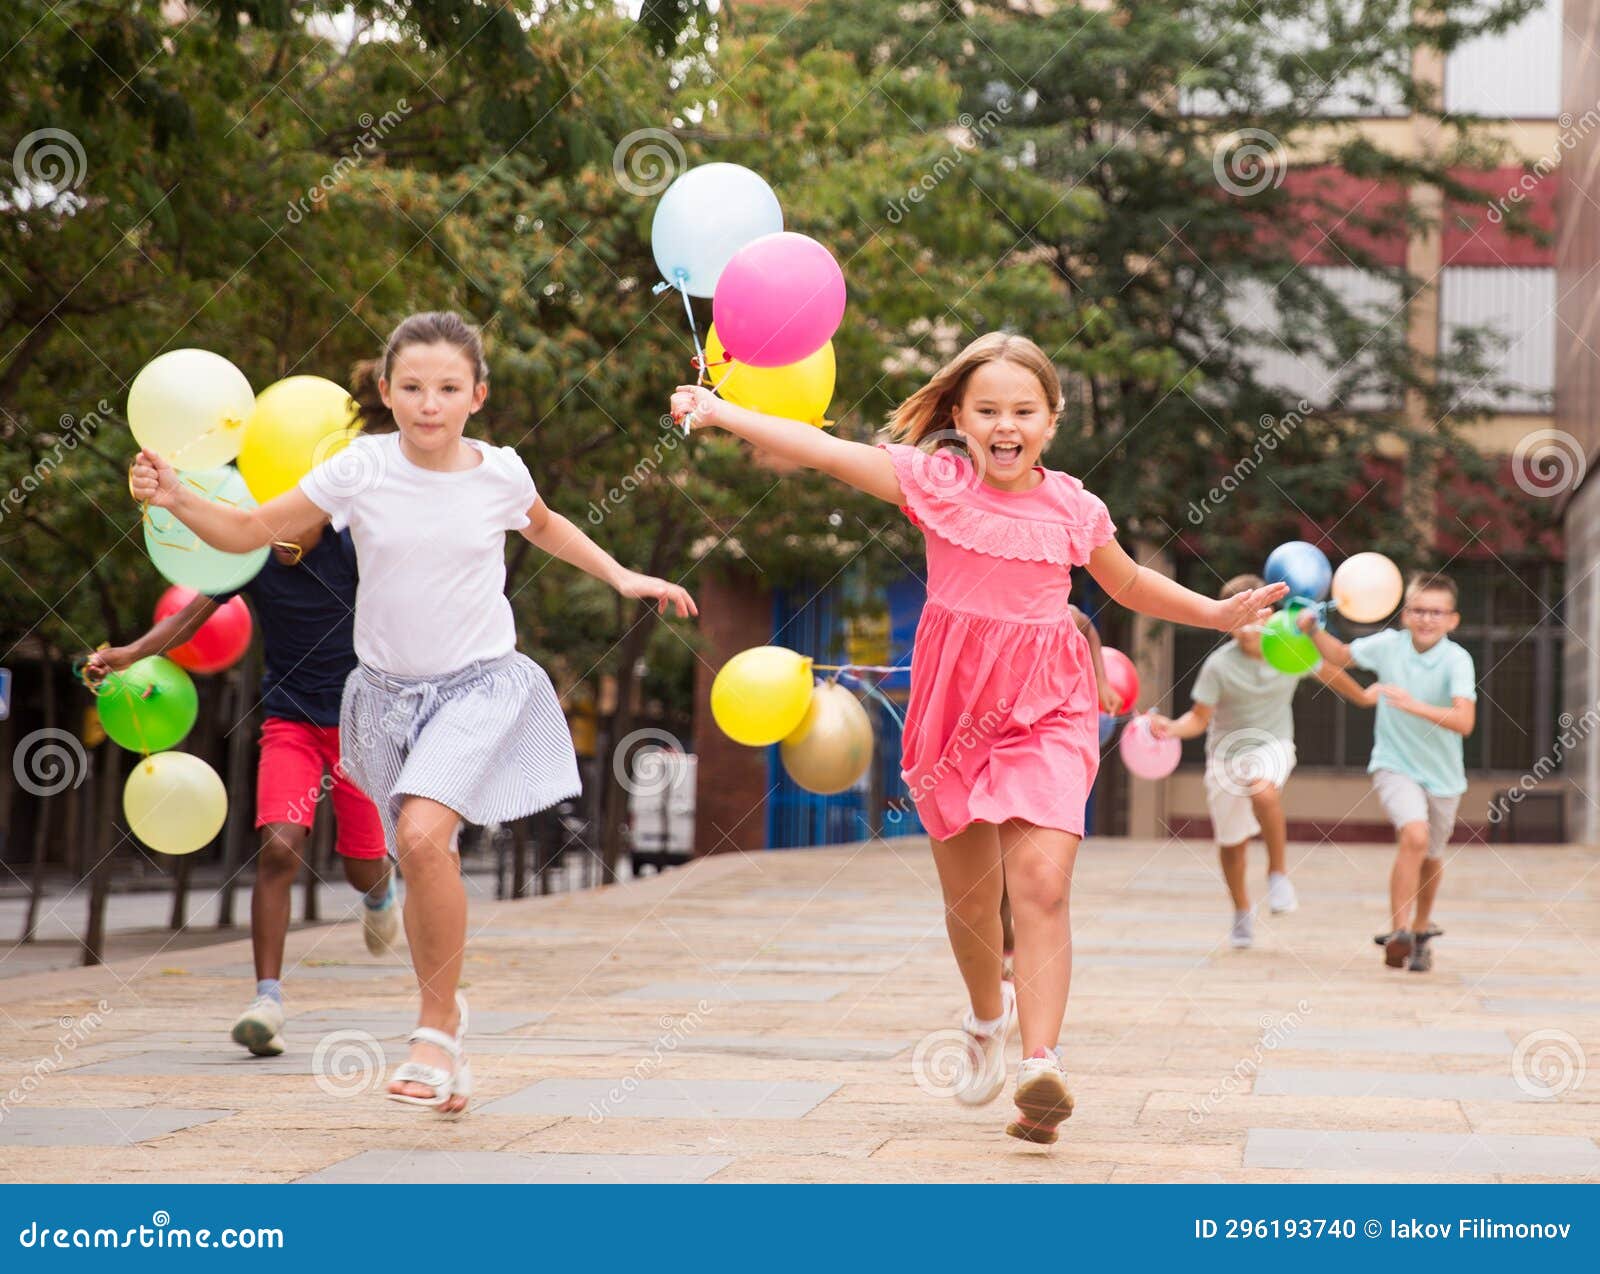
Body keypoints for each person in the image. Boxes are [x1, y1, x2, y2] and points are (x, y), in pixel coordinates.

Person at [671, 332, 1287, 1144]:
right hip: (955, 715)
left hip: (1050, 710)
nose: (1006, 424)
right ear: (958, 416)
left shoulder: (1074, 506)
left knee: (1042, 885)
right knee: (970, 900)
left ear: (1051, 420)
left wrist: (1214, 612)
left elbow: (1128, 583)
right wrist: (722, 410)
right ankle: (986, 1020)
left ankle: (1043, 1063)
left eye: (1023, 410)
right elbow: (821, 450)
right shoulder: (934, 482)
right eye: (988, 409)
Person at [129, 310, 696, 1114]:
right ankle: (450, 1025)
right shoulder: (358, 471)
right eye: (413, 387)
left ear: (477, 396)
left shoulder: (500, 472)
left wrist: (623, 576)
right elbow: (251, 531)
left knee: (421, 837)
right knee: (427, 857)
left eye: (449, 388)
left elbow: (546, 527)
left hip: (477, 687)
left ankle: (433, 1030)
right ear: (388, 394)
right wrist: (179, 496)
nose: (431, 403)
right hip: (386, 698)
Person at [85, 525, 396, 1057]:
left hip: (359, 726)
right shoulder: (252, 556)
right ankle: (266, 1002)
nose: (277, 527)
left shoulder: (356, 549)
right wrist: (129, 653)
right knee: (278, 849)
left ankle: (379, 894)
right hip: (289, 723)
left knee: (361, 865)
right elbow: (188, 619)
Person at [1148, 574, 1375, 949]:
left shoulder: (1289, 649)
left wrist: (1365, 698)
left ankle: (1278, 874)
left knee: (1263, 791)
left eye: (1254, 615)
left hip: (1273, 745)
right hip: (1224, 757)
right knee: (1232, 845)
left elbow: (1331, 672)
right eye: (1237, 619)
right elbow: (1199, 719)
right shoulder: (1219, 666)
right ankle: (1241, 910)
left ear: (1268, 615)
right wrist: (1170, 728)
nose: (1246, 626)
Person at [1301, 571, 1476, 972]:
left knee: (1432, 856)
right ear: (1404, 614)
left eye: (1436, 612)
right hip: (1394, 764)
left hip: (1444, 775)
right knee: (1413, 836)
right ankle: (1399, 932)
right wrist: (1312, 630)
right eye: (1418, 610)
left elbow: (1464, 722)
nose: (1426, 619)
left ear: (1453, 620)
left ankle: (1419, 933)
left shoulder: (1457, 660)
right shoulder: (1388, 646)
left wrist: (1411, 703)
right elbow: (1341, 655)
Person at [999, 604, 1118, 978]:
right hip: (996, 736)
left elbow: (1089, 630)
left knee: (1028, 864)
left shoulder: (1059, 610)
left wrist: (1100, 682)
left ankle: (1017, 952)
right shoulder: (987, 607)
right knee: (996, 871)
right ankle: (1004, 947)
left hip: (1044, 742)